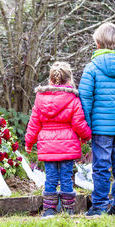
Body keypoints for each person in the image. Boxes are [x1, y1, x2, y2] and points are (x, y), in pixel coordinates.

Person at [78, 22, 115, 216]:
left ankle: (100, 205)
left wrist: (86, 126)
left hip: (100, 129)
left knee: (101, 166)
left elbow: (85, 99)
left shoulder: (92, 68)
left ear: (97, 43)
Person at [25, 62, 91, 218]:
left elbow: (34, 123)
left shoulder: (40, 99)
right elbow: (78, 123)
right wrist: (87, 136)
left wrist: (29, 143)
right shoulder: (73, 99)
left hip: (48, 147)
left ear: (50, 80)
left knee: (51, 178)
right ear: (69, 80)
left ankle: (49, 211)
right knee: (66, 178)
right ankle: (68, 210)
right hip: (68, 147)